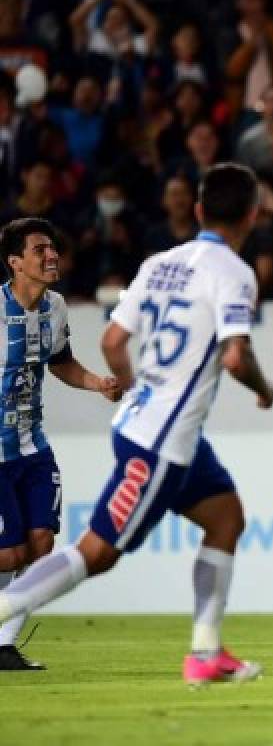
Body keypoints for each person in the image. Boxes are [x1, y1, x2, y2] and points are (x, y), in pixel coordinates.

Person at [0, 164, 273, 686]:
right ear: (253, 214)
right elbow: (236, 357)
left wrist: (132, 387)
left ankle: (205, 652)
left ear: (198, 211)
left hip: (158, 428)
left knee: (226, 518)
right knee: (95, 554)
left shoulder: (161, 263)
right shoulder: (234, 272)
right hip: (161, 441)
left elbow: (110, 342)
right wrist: (265, 390)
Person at [0, 218, 120, 670]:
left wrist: (96, 383)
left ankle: (3, 645)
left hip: (33, 446)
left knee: (41, 543)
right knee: (8, 553)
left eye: (52, 248)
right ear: (15, 262)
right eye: (39, 250)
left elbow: (61, 362)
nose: (51, 256)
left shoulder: (56, 307)